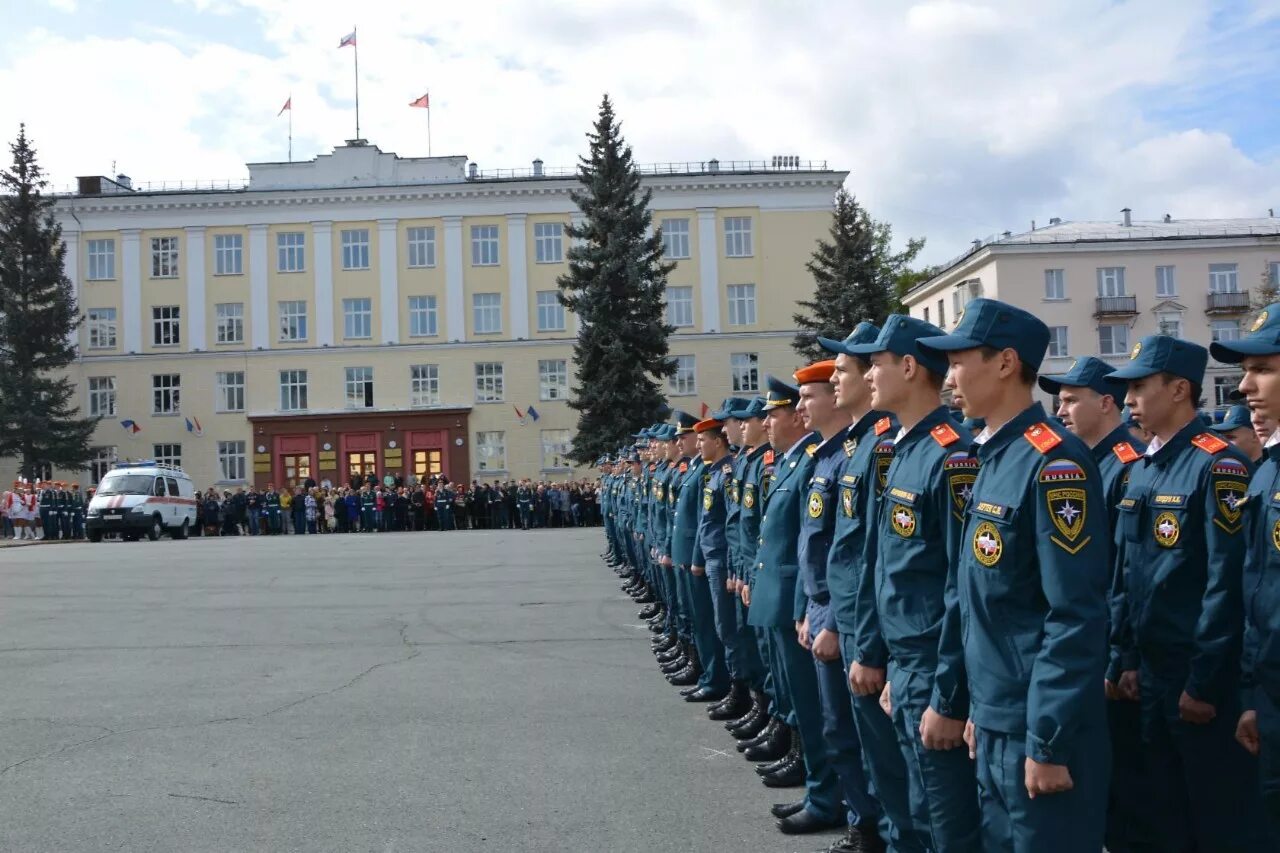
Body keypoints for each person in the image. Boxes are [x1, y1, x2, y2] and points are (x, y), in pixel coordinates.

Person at [1103, 333, 1269, 852]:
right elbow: (1127, 573)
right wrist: (1124, 656)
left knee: (1213, 814)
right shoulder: (1142, 468)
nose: (1129, 398)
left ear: (1178, 390)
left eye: (1139, 386)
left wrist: (1204, 681)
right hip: (1149, 672)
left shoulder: (1219, 466)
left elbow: (1227, 582)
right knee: (1162, 812)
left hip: (1196, 679)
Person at [854, 315, 980, 852]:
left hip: (933, 664)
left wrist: (947, 693)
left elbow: (960, 585)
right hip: (907, 666)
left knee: (945, 822)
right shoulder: (904, 449)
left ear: (907, 367)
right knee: (915, 810)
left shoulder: (951, 457)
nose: (867, 376)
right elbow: (884, 566)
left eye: (876, 365)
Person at [1037, 355, 1152, 853]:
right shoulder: (1087, 459)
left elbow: (1124, 574)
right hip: (1096, 648)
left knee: (1126, 788)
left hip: (1115, 650)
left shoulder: (1126, 465)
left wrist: (1120, 655)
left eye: (1070, 399)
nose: (1059, 410)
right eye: (1057, 400)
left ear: (1106, 402)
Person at [821, 324, 917, 853]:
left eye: (845, 371)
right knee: (878, 760)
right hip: (861, 625)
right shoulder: (864, 446)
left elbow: (874, 558)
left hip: (880, 634)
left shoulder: (884, 449)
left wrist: (860, 636)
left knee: (902, 778)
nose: (838, 379)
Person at [791, 358, 885, 847]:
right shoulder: (830, 455)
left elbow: (859, 554)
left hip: (850, 618)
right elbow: (815, 545)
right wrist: (812, 609)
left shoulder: (863, 453)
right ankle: (861, 818)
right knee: (839, 730)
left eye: (812, 394)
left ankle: (866, 822)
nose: (803, 403)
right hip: (829, 611)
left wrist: (827, 615)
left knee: (859, 737)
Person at [750, 371, 842, 834]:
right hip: (788, 595)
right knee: (803, 701)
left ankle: (825, 792)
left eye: (775, 413)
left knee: (816, 707)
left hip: (802, 599)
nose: (768, 422)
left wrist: (810, 606)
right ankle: (817, 785)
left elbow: (823, 547)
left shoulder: (812, 460)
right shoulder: (792, 462)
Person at [1208, 307, 1280, 843]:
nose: (1245, 386)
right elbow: (1258, 589)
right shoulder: (1268, 472)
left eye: (1263, 369)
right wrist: (1254, 696)